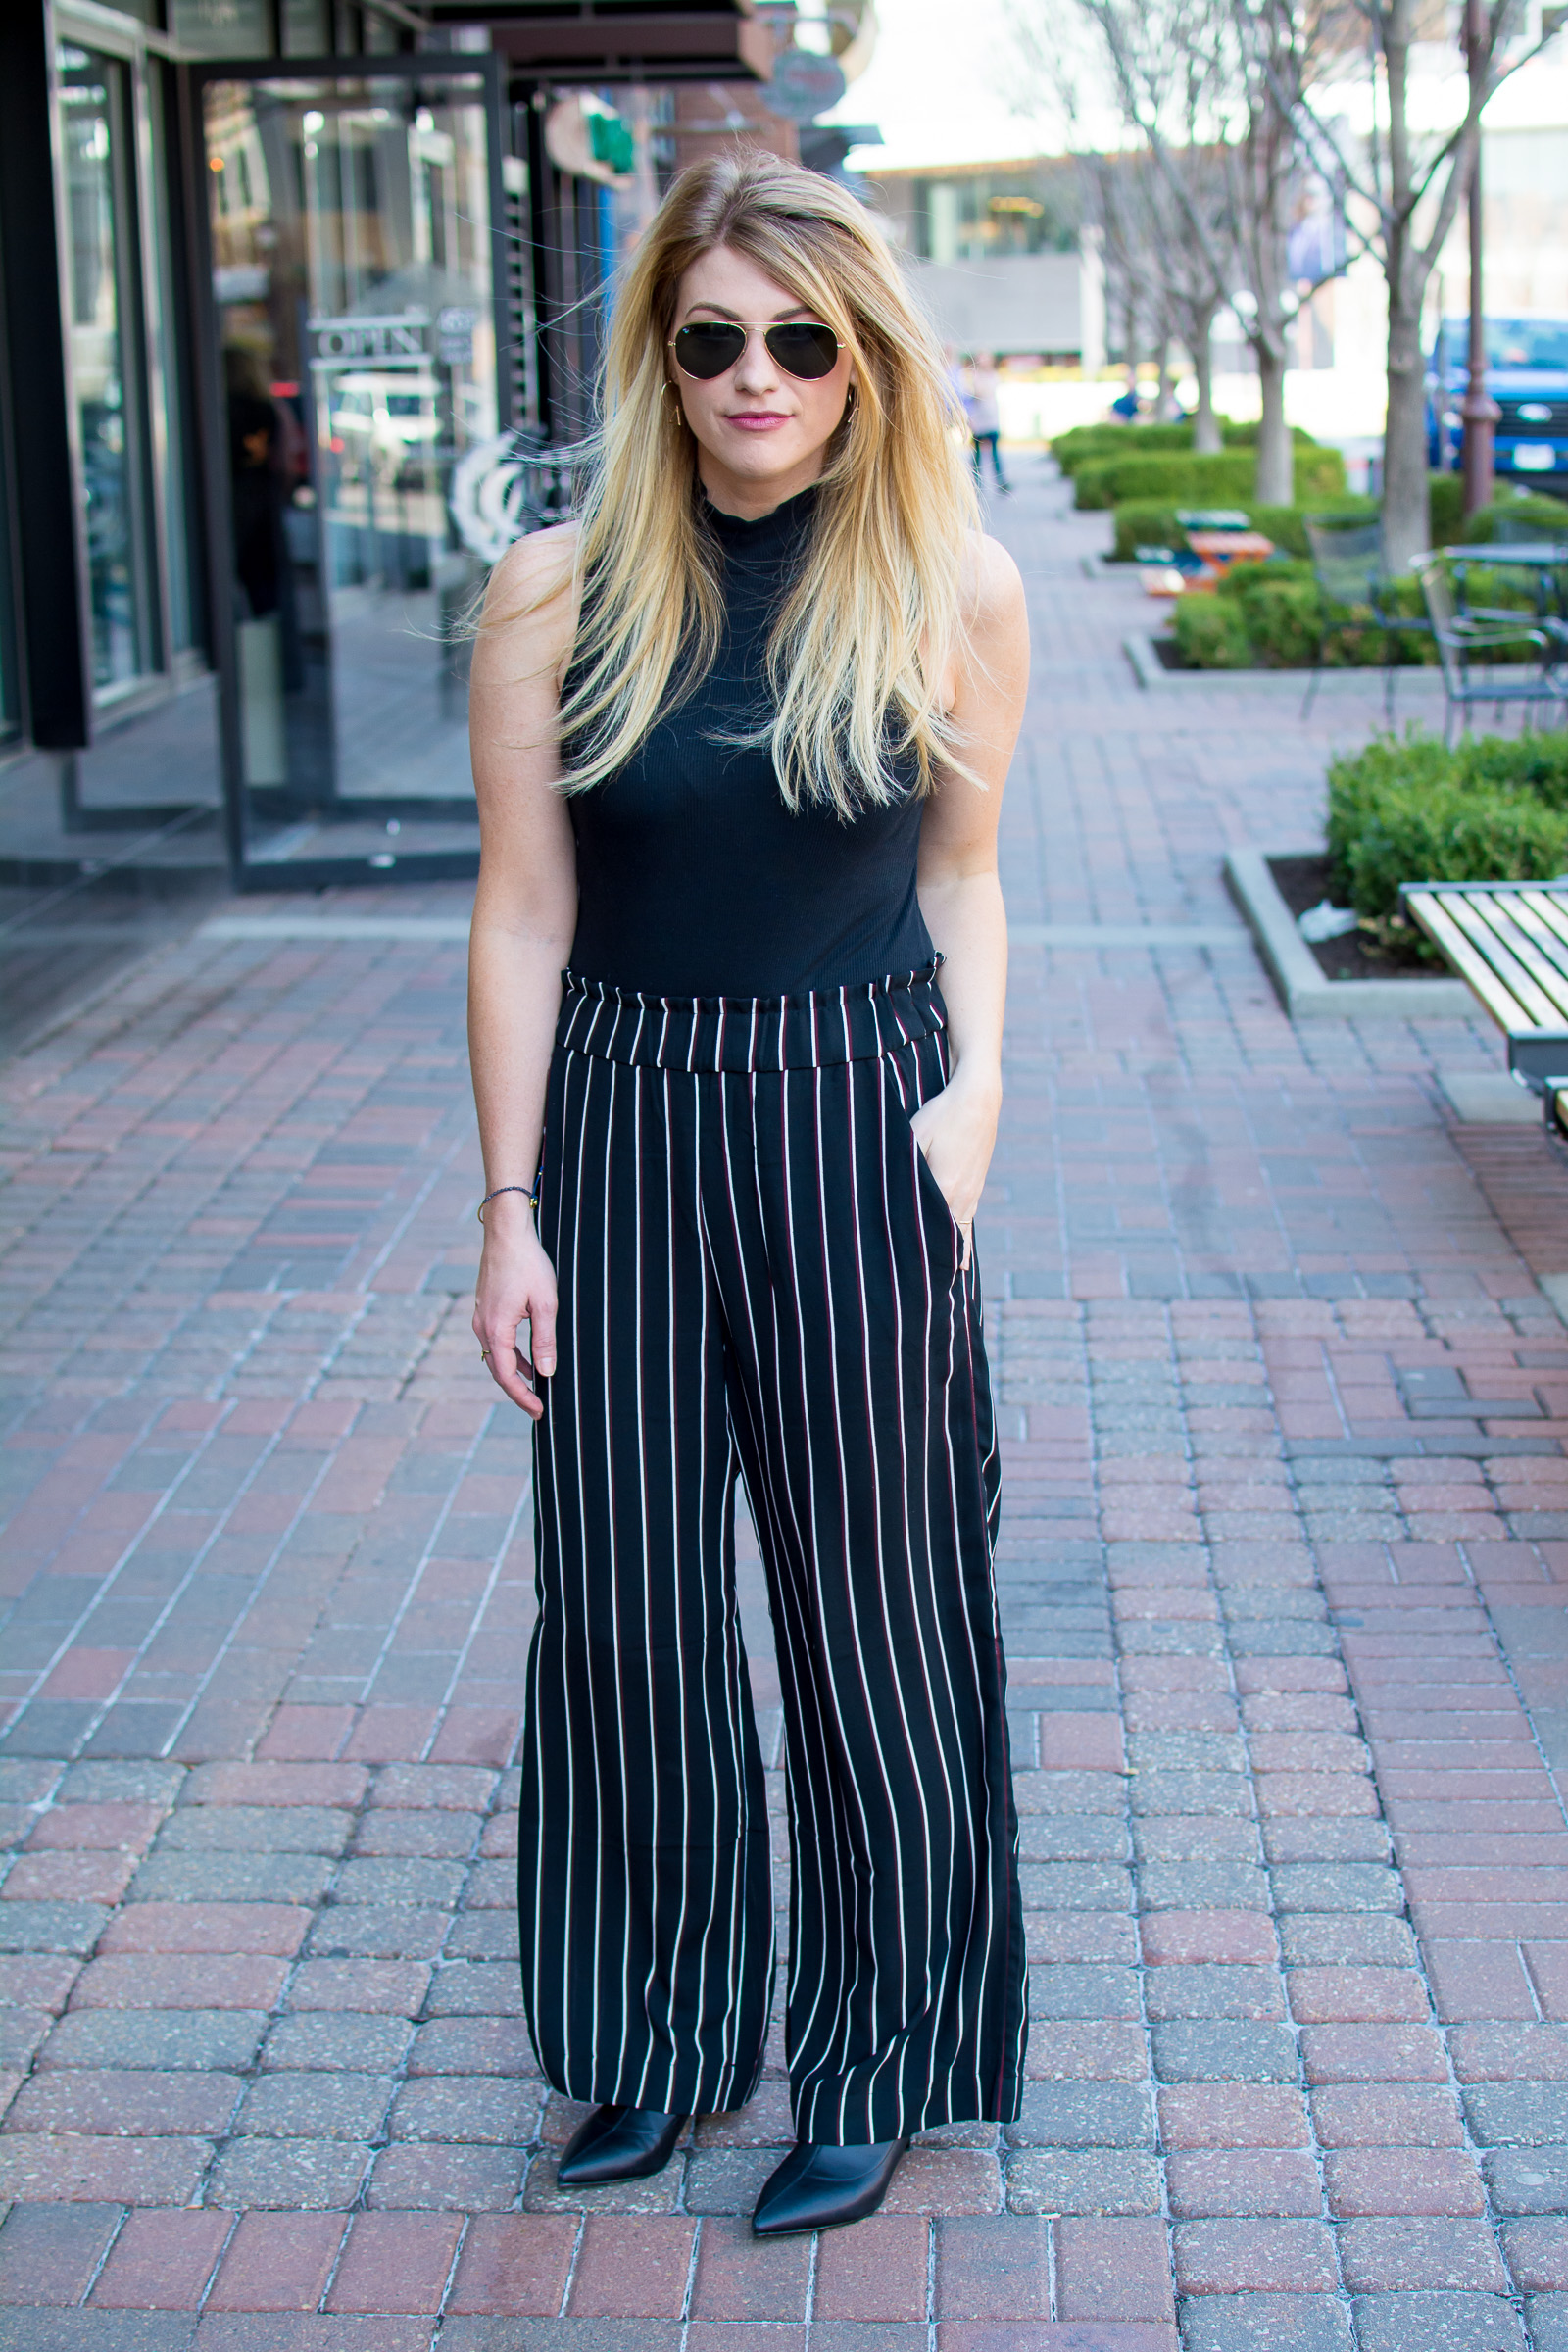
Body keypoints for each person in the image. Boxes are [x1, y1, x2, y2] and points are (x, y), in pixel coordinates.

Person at [467, 152, 1030, 2239]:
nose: (755, 377)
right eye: (711, 339)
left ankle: (872, 2059)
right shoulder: (554, 586)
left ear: (865, 350)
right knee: (619, 1607)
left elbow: (962, 881)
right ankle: (648, 2040)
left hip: (850, 1115)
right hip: (612, 1114)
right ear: (658, 355)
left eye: (801, 339)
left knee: (873, 1618)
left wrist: (970, 1108)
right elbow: (521, 915)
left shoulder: (952, 583)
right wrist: (505, 1205)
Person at [966, 352, 1009, 492]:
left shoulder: (993, 375)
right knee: (977, 454)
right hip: (979, 421)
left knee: (995, 453)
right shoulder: (976, 377)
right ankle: (976, 484)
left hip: (991, 420)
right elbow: (977, 394)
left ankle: (1001, 481)